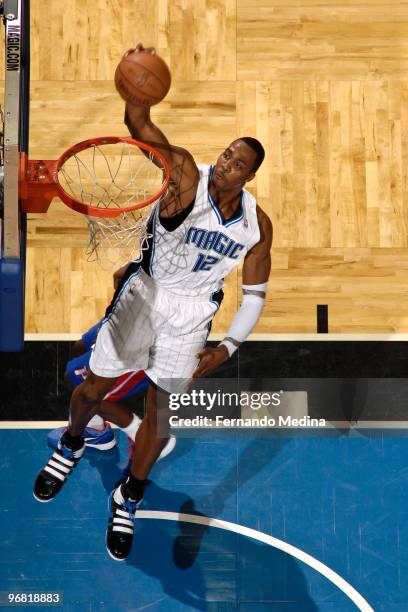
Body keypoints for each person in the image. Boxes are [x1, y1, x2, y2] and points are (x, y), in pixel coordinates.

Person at [33, 43, 273, 561]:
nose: (226, 162)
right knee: (91, 387)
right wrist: (135, 92)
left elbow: (255, 291)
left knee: (159, 417)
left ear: (249, 178)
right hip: (146, 296)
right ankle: (73, 442)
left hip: (193, 314)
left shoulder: (257, 224)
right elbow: (141, 126)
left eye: (237, 163)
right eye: (227, 152)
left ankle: (129, 495)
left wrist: (229, 346)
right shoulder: (186, 175)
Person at [47, 320, 175, 462]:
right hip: (128, 320)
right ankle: (96, 431)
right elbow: (81, 346)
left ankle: (151, 440)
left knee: (92, 395)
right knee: (74, 374)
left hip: (149, 349)